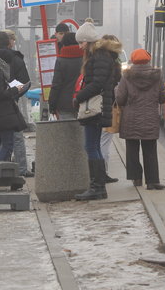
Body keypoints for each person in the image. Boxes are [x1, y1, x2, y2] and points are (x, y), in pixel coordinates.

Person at [72, 19, 119, 201]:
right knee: (94, 147)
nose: (80, 46)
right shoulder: (103, 56)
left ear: (89, 41)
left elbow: (97, 83)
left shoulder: (98, 57)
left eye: (81, 42)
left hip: (96, 108)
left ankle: (96, 187)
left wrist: (79, 97)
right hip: (101, 107)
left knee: (91, 147)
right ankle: (98, 187)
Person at [115, 49, 165, 190]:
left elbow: (120, 98)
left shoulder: (126, 76)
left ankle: (136, 178)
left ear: (132, 60)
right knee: (150, 149)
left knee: (132, 149)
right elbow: (164, 97)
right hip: (150, 118)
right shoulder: (157, 76)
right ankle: (152, 181)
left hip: (131, 118)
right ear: (148, 60)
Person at [0, 30, 33, 176]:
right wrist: (15, 95)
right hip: (10, 102)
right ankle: (21, 169)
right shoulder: (15, 59)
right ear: (9, 42)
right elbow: (25, 82)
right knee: (16, 136)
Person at [99, 33, 123, 184]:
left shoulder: (97, 59)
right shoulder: (114, 63)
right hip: (108, 106)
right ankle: (102, 172)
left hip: (96, 104)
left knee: (98, 141)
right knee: (104, 142)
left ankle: (99, 172)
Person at [47, 32, 83, 120]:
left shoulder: (61, 61)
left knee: (66, 132)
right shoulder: (86, 59)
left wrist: (52, 105)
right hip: (82, 101)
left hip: (64, 104)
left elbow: (56, 85)